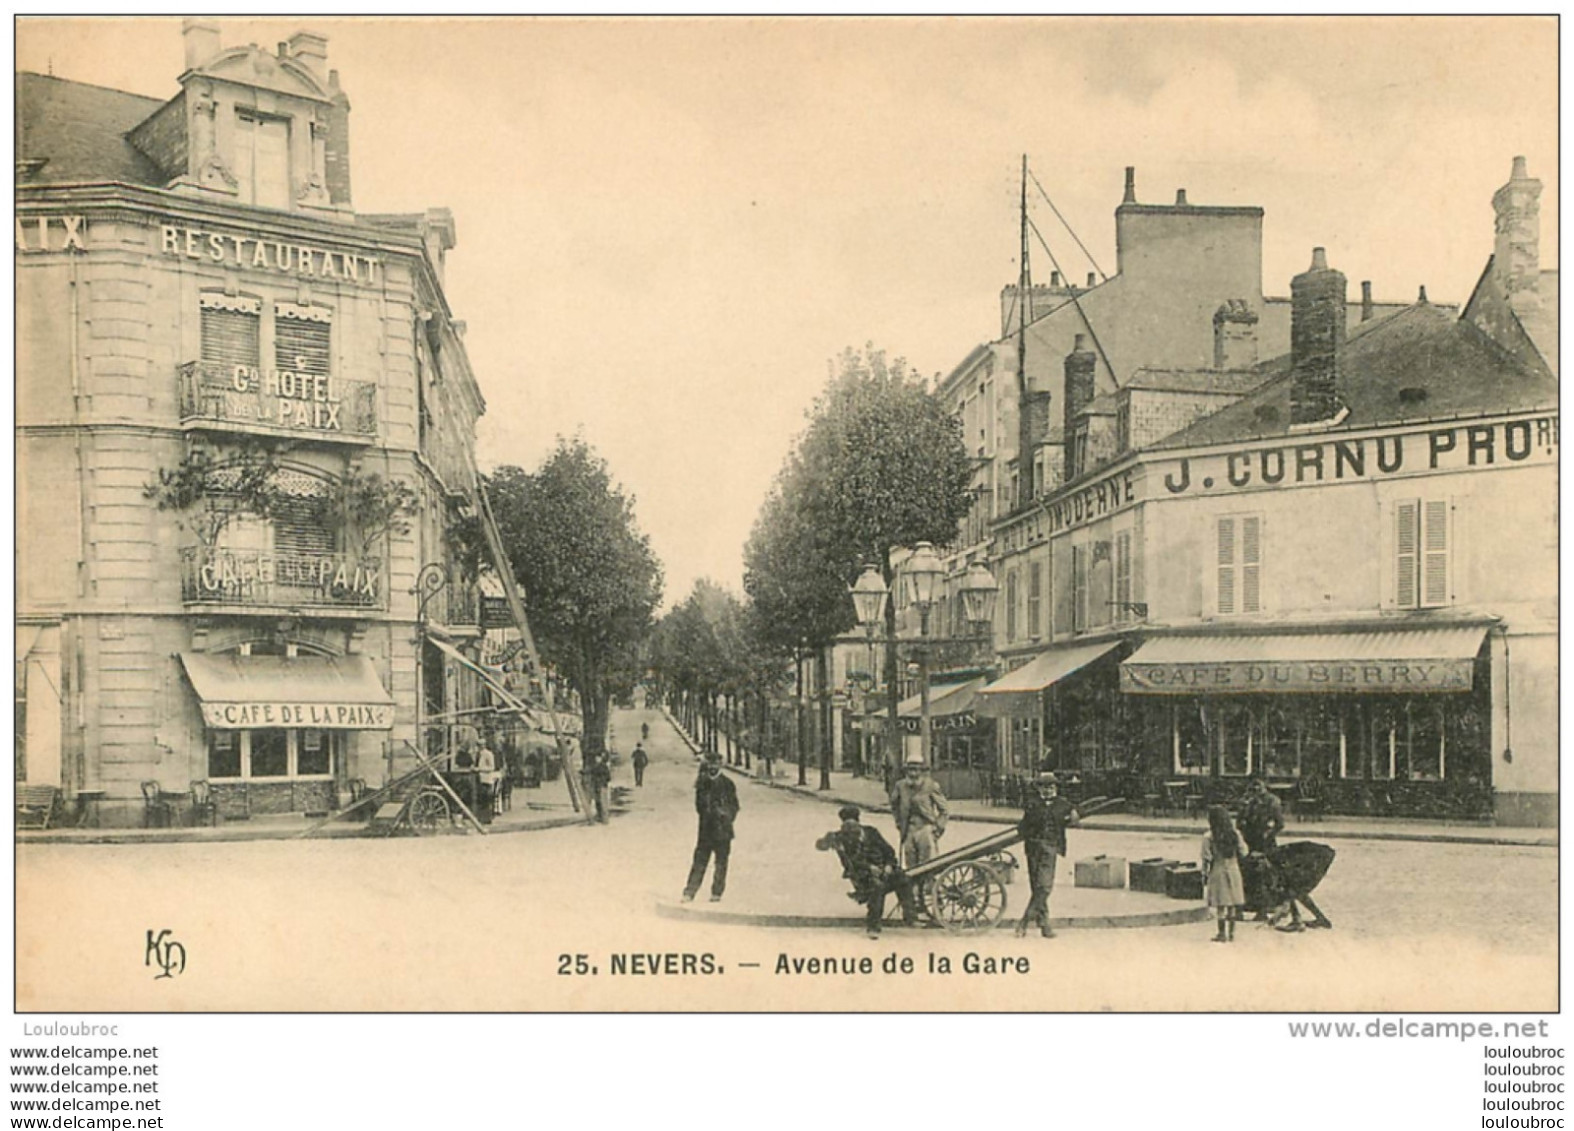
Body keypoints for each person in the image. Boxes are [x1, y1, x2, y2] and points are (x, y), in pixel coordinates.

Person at [816, 805, 918, 939]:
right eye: (847, 826)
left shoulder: (871, 832)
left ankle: (910, 917)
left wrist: (889, 865)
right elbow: (822, 847)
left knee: (904, 879)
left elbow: (888, 851)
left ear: (859, 822)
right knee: (877, 887)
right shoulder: (840, 837)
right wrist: (830, 841)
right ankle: (873, 926)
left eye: (854, 825)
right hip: (862, 875)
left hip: (883, 869)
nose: (852, 831)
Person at [1015, 772, 1080, 938]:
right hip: (1033, 849)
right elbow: (1022, 827)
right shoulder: (1032, 804)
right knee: (1036, 887)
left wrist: (1074, 814)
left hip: (1050, 848)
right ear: (1039, 789)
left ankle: (1024, 921)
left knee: (1044, 886)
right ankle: (1044, 926)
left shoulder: (1062, 804)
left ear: (1056, 788)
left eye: (1052, 787)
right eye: (1045, 787)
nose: (1049, 790)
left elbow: (1075, 813)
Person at [682, 751, 739, 902]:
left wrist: (726, 817)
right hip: (706, 830)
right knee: (699, 861)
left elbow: (734, 806)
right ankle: (689, 892)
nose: (713, 767)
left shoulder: (728, 784)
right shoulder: (702, 784)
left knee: (721, 863)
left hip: (723, 830)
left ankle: (717, 893)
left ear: (720, 765)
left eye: (716, 764)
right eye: (710, 764)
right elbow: (699, 807)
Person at [889, 753, 949, 869]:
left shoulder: (931, 785)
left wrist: (938, 828)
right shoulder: (900, 786)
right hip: (909, 830)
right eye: (910, 770)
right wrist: (899, 823)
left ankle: (928, 887)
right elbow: (894, 805)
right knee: (911, 867)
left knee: (927, 866)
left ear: (922, 771)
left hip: (925, 829)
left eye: (916, 770)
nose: (913, 773)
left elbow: (944, 810)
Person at [1201, 805, 1246, 942]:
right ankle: (1232, 933)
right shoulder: (1235, 834)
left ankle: (1221, 934)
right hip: (1233, 869)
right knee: (1232, 904)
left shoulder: (1209, 836)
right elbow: (1244, 851)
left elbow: (1206, 857)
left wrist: (1204, 874)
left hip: (1218, 869)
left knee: (1221, 904)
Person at [1238, 777, 1285, 855]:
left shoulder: (1272, 800)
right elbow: (1240, 820)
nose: (1256, 788)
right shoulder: (1247, 799)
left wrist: (1268, 834)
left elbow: (1280, 823)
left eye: (1259, 785)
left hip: (1265, 840)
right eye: (1253, 785)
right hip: (1250, 838)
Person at [475, 738, 500, 824]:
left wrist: (480, 769)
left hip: (487, 780)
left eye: (481, 745)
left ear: (484, 745)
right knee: (482, 800)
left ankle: (487, 819)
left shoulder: (488, 754)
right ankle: (482, 818)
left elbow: (491, 767)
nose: (479, 747)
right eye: (478, 745)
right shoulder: (478, 754)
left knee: (486, 800)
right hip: (480, 779)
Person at [583, 751, 611, 823]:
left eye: (598, 758)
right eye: (596, 758)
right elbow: (589, 771)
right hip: (597, 786)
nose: (597, 759)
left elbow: (608, 777)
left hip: (601, 786)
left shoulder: (602, 766)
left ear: (601, 758)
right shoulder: (597, 766)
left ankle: (604, 819)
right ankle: (600, 817)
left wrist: (601, 780)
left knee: (602, 802)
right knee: (598, 801)